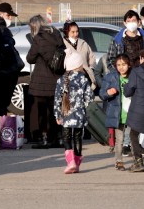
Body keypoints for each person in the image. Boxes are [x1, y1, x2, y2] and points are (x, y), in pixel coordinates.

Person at [55, 23, 95, 174]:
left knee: (66, 137)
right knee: (78, 137)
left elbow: (57, 100)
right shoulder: (84, 80)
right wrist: (85, 110)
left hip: (65, 114)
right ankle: (77, 163)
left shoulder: (61, 80)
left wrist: (57, 115)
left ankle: (70, 161)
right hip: (79, 115)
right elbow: (89, 97)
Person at [26, 15, 64, 148]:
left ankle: (45, 138)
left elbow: (30, 58)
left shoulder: (38, 38)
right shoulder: (57, 34)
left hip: (41, 81)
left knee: (42, 111)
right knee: (56, 110)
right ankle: (58, 138)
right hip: (57, 77)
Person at [102, 54, 133, 170]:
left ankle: (137, 160)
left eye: (124, 64)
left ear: (129, 65)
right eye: (119, 65)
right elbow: (102, 93)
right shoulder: (111, 77)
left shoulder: (133, 76)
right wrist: (108, 92)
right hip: (118, 114)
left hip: (131, 112)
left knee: (132, 138)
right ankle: (119, 161)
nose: (121, 67)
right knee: (119, 140)